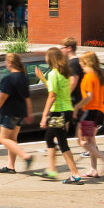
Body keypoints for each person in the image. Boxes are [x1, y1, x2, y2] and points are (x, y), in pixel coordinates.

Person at [35, 47, 82, 183]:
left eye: (46, 56)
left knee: (59, 142)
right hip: (66, 110)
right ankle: (53, 170)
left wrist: (44, 115)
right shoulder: (64, 73)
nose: (45, 59)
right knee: (52, 139)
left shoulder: (53, 74)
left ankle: (72, 173)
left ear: (51, 59)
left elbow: (52, 95)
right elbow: (53, 89)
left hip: (58, 112)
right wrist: (42, 78)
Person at [0, 51, 33, 173]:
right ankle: (10, 166)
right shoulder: (23, 77)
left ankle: (26, 156)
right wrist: (29, 112)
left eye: (6, 61)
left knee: (1, 138)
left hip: (9, 112)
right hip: (20, 113)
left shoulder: (9, 79)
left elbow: (2, 97)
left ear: (10, 63)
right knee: (12, 139)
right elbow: (27, 97)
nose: (5, 63)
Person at [75, 51, 104, 177]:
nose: (80, 63)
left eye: (81, 61)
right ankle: (93, 169)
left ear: (87, 62)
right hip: (100, 112)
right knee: (91, 142)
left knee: (82, 141)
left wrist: (77, 107)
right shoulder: (98, 75)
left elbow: (89, 96)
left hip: (90, 112)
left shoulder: (89, 77)